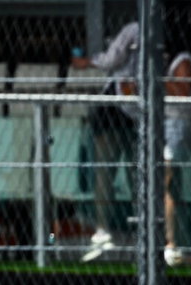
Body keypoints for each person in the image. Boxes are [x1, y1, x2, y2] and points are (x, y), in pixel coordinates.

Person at [73, 20, 141, 262]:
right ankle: (105, 231)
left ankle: (117, 229)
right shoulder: (142, 29)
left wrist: (88, 61)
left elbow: (113, 58)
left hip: (127, 110)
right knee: (115, 173)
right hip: (123, 110)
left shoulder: (136, 28)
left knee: (128, 174)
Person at [163, 42, 191, 266]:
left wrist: (156, 77)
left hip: (177, 128)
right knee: (170, 188)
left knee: (165, 184)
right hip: (163, 128)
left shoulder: (183, 59)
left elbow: (183, 92)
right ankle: (177, 243)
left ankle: (172, 244)